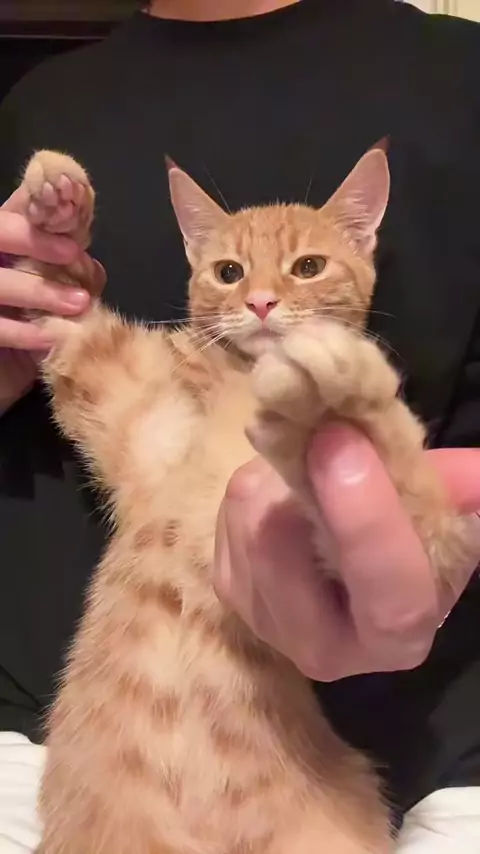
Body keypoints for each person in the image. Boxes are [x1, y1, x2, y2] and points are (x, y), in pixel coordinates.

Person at [0, 0, 479, 850]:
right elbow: (78, 356)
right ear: (193, 263)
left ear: (364, 245)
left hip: (308, 782)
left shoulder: (457, 72)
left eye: (305, 266)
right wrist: (50, 258)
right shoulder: (41, 102)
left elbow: (420, 529)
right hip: (115, 773)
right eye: (226, 271)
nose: (260, 297)